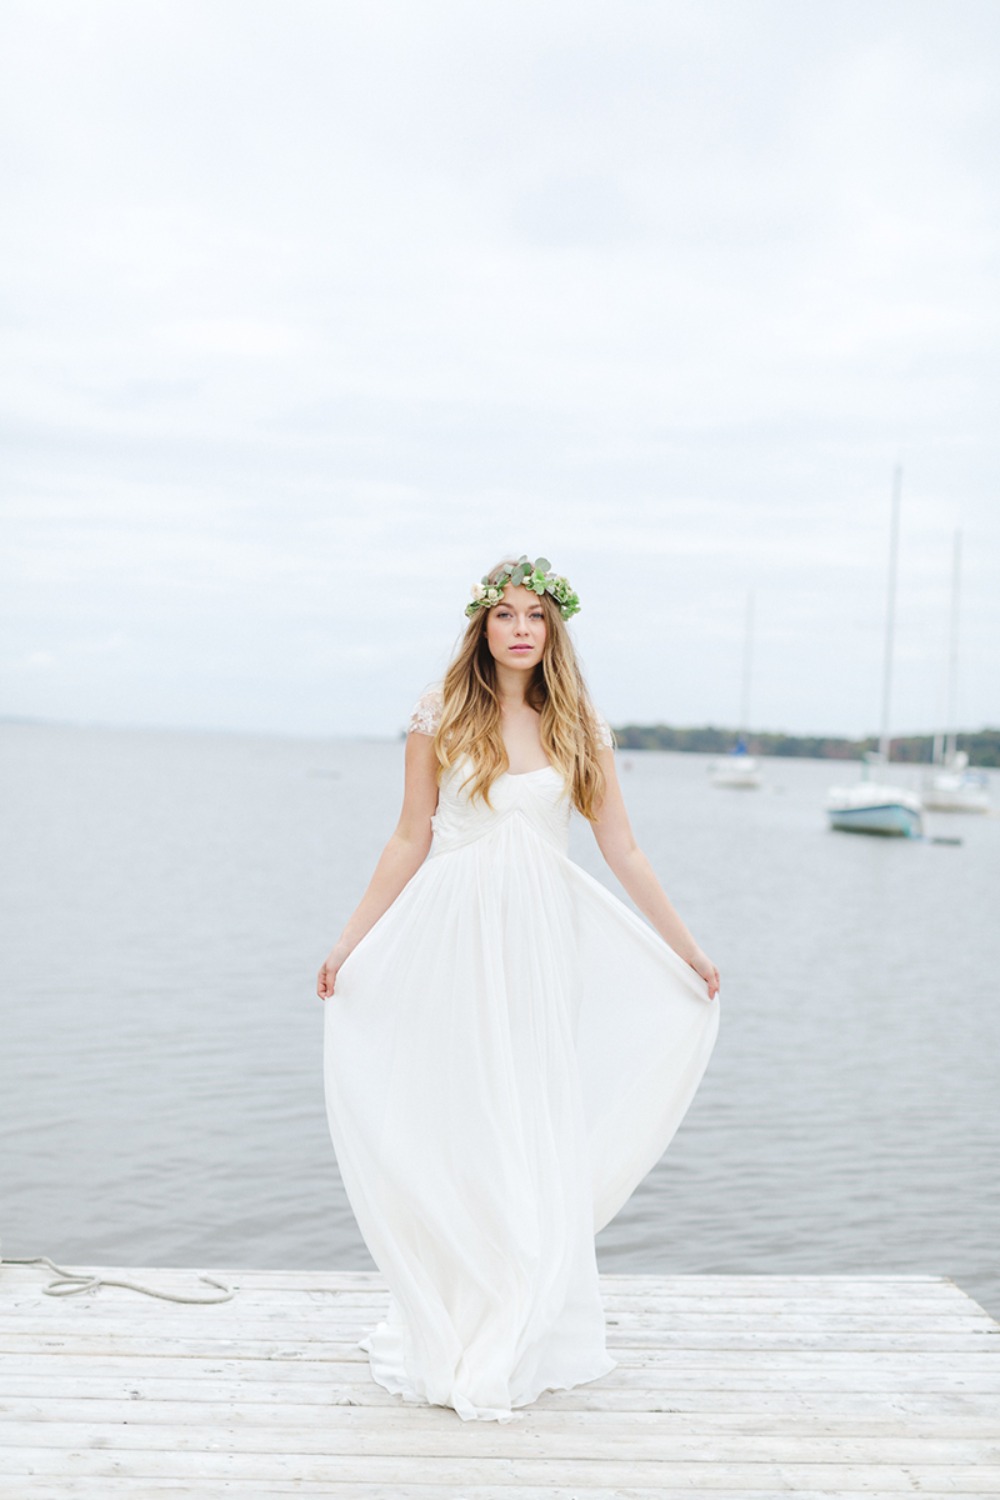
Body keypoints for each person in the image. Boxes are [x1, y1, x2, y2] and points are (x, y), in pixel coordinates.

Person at [318, 554, 720, 1423]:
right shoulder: (439, 715)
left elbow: (623, 847)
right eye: (505, 615)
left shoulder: (580, 726)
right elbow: (406, 839)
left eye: (535, 614)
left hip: (538, 944)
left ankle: (521, 1306)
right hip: (449, 935)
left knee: (527, 1113)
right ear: (482, 628)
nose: (521, 629)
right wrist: (350, 942)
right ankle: (455, 1306)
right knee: (459, 1112)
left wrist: (685, 949)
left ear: (554, 630)